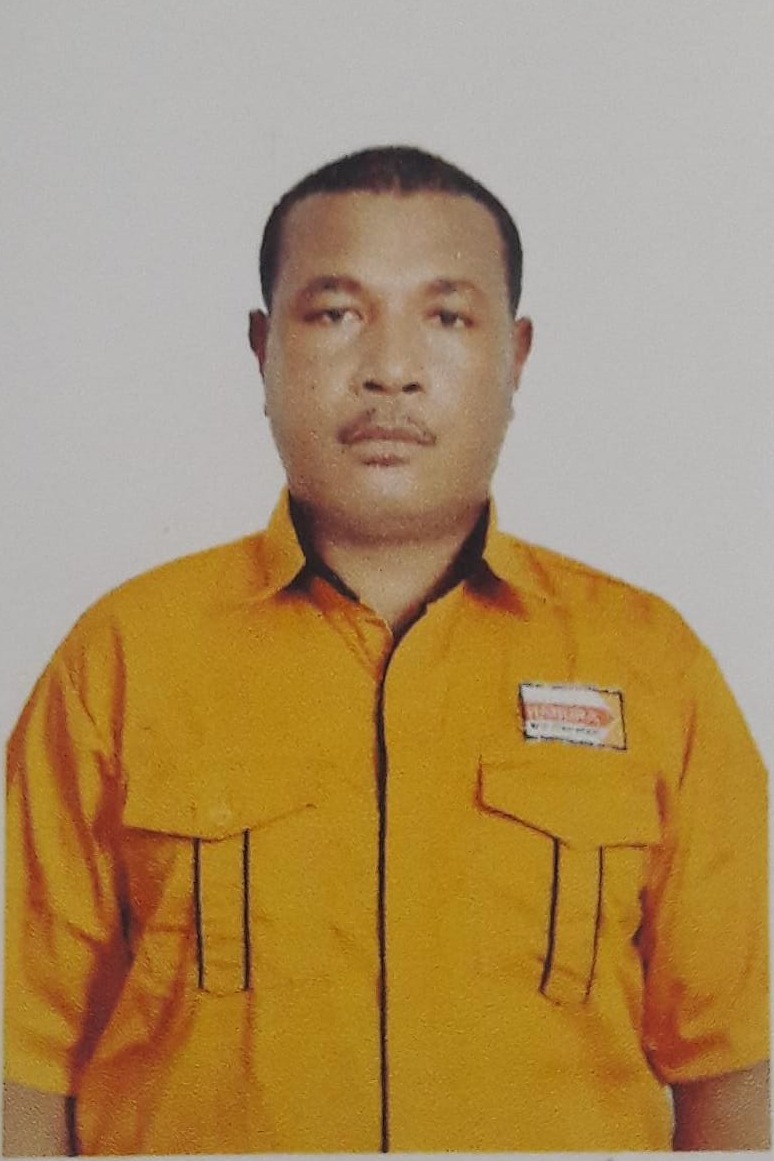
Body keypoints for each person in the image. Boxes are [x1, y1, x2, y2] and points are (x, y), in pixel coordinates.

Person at [3, 145, 769, 1155]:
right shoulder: (122, 661)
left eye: (446, 318)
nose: (391, 369)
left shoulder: (651, 666)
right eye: (335, 314)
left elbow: (736, 1060)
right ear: (263, 348)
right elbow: (24, 1053)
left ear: (516, 355)